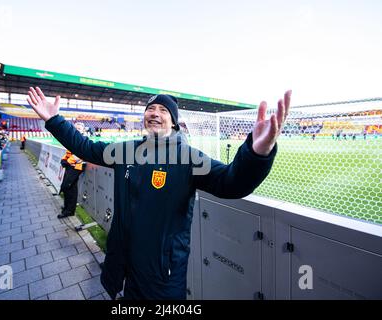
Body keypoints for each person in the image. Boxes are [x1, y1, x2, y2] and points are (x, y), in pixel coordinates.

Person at [27, 86, 291, 300]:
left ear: (174, 123)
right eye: (150, 109)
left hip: (162, 278)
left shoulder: (188, 158)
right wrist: (54, 119)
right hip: (124, 266)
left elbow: (232, 183)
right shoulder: (125, 151)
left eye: (163, 110)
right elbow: (84, 147)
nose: (154, 113)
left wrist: (256, 154)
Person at [58, 122, 86, 219]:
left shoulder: (83, 139)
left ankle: (68, 209)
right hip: (71, 166)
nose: (77, 130)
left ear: (83, 130)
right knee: (71, 188)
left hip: (76, 167)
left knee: (67, 187)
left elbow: (80, 154)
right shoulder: (72, 139)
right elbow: (68, 153)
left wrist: (68, 161)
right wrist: (64, 159)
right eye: (76, 128)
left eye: (79, 128)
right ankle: (68, 208)